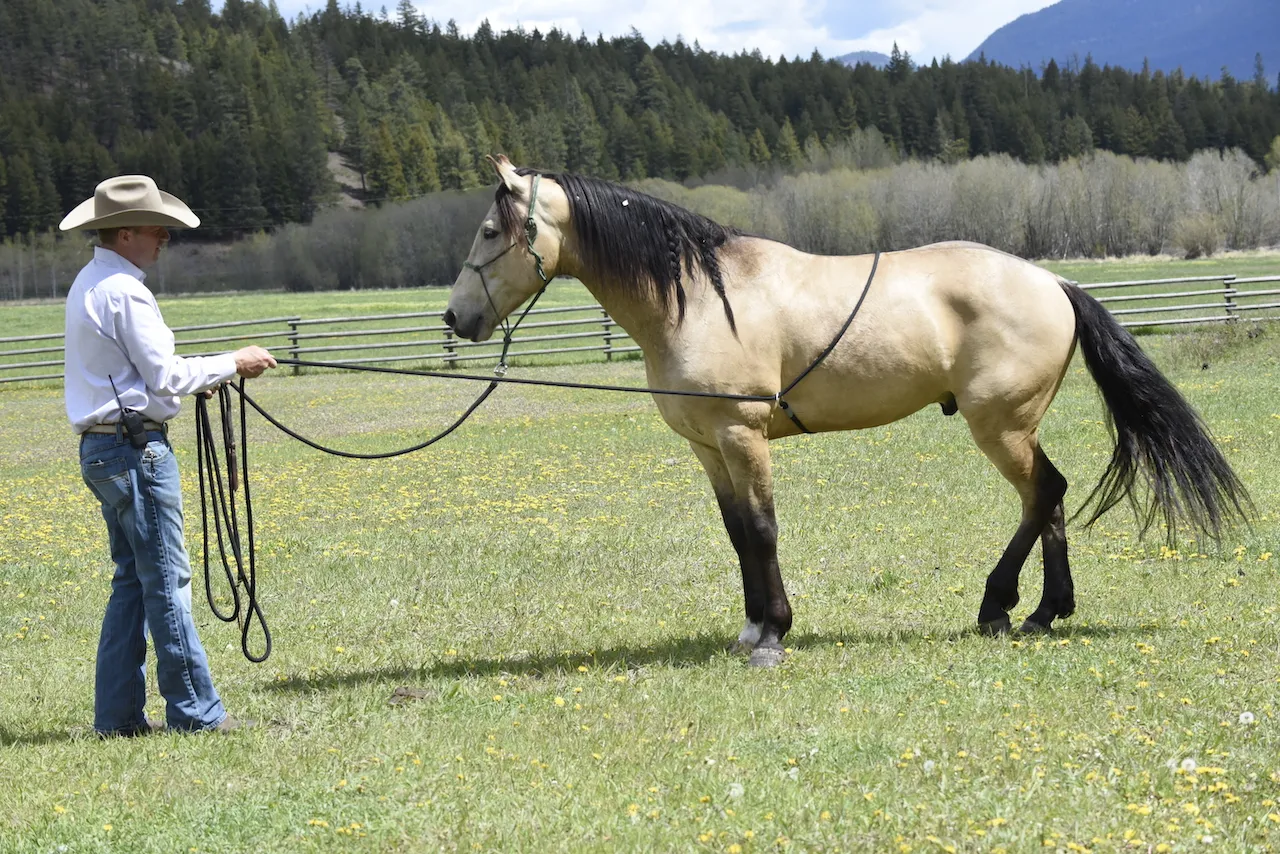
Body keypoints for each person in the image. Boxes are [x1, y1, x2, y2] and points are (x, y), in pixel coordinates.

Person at [60, 175, 277, 736]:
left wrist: (187, 383)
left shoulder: (90, 282)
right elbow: (165, 374)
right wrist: (233, 362)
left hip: (104, 448)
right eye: (158, 229)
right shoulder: (126, 291)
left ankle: (118, 717)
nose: (164, 238)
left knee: (132, 580)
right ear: (126, 232)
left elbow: (140, 377)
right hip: (136, 451)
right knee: (166, 582)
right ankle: (196, 713)